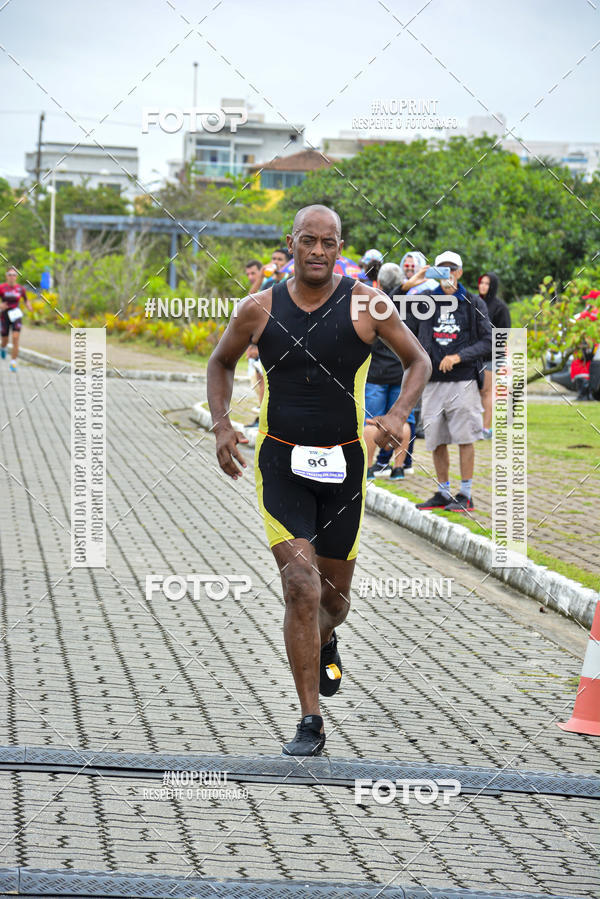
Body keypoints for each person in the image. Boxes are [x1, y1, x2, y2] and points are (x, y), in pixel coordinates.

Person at [207, 205, 431, 756]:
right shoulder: (258, 308)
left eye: (328, 243)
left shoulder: (367, 304)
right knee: (300, 587)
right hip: (281, 462)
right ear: (293, 242)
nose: (317, 251)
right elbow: (220, 363)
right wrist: (220, 426)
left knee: (334, 601)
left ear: (339, 246)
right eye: (307, 241)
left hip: (345, 466)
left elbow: (418, 361)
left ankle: (326, 639)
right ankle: (310, 720)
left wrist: (398, 415)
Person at [410, 251, 492, 512]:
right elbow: (391, 309)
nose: (447, 273)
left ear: (459, 272)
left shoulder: (473, 302)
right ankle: (443, 492)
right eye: (441, 269)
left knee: (465, 437)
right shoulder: (425, 300)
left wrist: (458, 356)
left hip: (463, 380)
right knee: (436, 439)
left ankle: (466, 494)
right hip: (432, 381)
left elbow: (488, 341)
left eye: (451, 268)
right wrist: (415, 280)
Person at [364, 262, 414, 480]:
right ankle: (399, 467)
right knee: (401, 420)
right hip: (402, 371)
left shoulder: (372, 306)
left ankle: (367, 468)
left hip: (376, 373)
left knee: (372, 421)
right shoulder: (412, 307)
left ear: (380, 283)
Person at [477, 273, 511, 437]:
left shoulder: (500, 307)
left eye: (486, 283)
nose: (483, 286)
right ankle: (476, 425)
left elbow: (504, 333)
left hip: (492, 355)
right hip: (474, 354)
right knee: (475, 390)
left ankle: (486, 428)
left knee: (486, 390)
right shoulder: (475, 302)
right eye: (481, 282)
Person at [0, 266, 32, 372]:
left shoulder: (21, 289)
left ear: (17, 276)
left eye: (14, 275)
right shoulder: (2, 287)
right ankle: (3, 348)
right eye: (10, 275)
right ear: (6, 276)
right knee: (4, 340)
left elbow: (26, 299)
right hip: (4, 316)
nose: (12, 277)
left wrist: (28, 306)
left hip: (16, 315)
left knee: (15, 337)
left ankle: (13, 363)